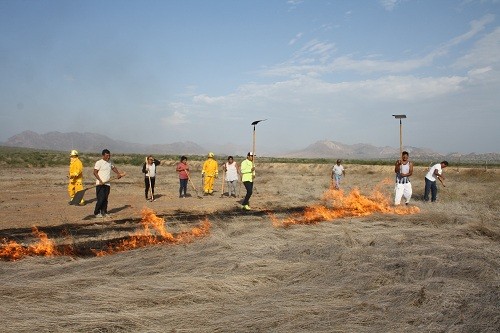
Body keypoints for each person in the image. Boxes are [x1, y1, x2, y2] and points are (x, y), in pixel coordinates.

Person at [93, 149, 125, 218]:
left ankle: (104, 212)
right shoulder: (99, 162)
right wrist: (100, 180)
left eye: (109, 155)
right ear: (103, 155)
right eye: (107, 155)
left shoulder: (110, 162)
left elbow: (113, 168)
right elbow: (95, 172)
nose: (108, 157)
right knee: (100, 199)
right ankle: (96, 212)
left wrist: (118, 174)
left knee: (105, 199)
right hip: (100, 184)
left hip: (107, 184)